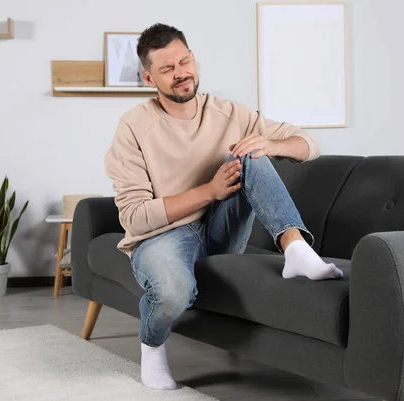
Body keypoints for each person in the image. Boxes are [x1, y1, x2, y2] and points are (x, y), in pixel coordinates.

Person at [104, 23, 343, 391]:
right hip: (161, 237)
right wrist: (209, 191)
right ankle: (152, 349)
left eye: (184, 61)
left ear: (193, 58)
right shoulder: (134, 127)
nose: (181, 73)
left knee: (251, 153)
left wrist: (271, 145)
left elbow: (309, 144)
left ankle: (296, 248)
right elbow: (134, 216)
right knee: (171, 293)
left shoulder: (228, 112)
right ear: (150, 79)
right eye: (167, 69)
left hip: (221, 231)